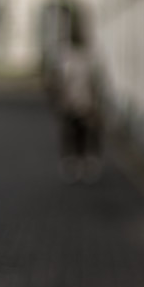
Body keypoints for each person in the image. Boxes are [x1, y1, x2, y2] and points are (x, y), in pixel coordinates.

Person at [50, 18, 103, 182]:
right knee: (81, 132)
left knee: (74, 133)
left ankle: (74, 162)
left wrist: (59, 99)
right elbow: (96, 81)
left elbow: (58, 81)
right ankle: (82, 162)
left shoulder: (66, 57)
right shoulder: (87, 57)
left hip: (74, 100)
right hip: (81, 100)